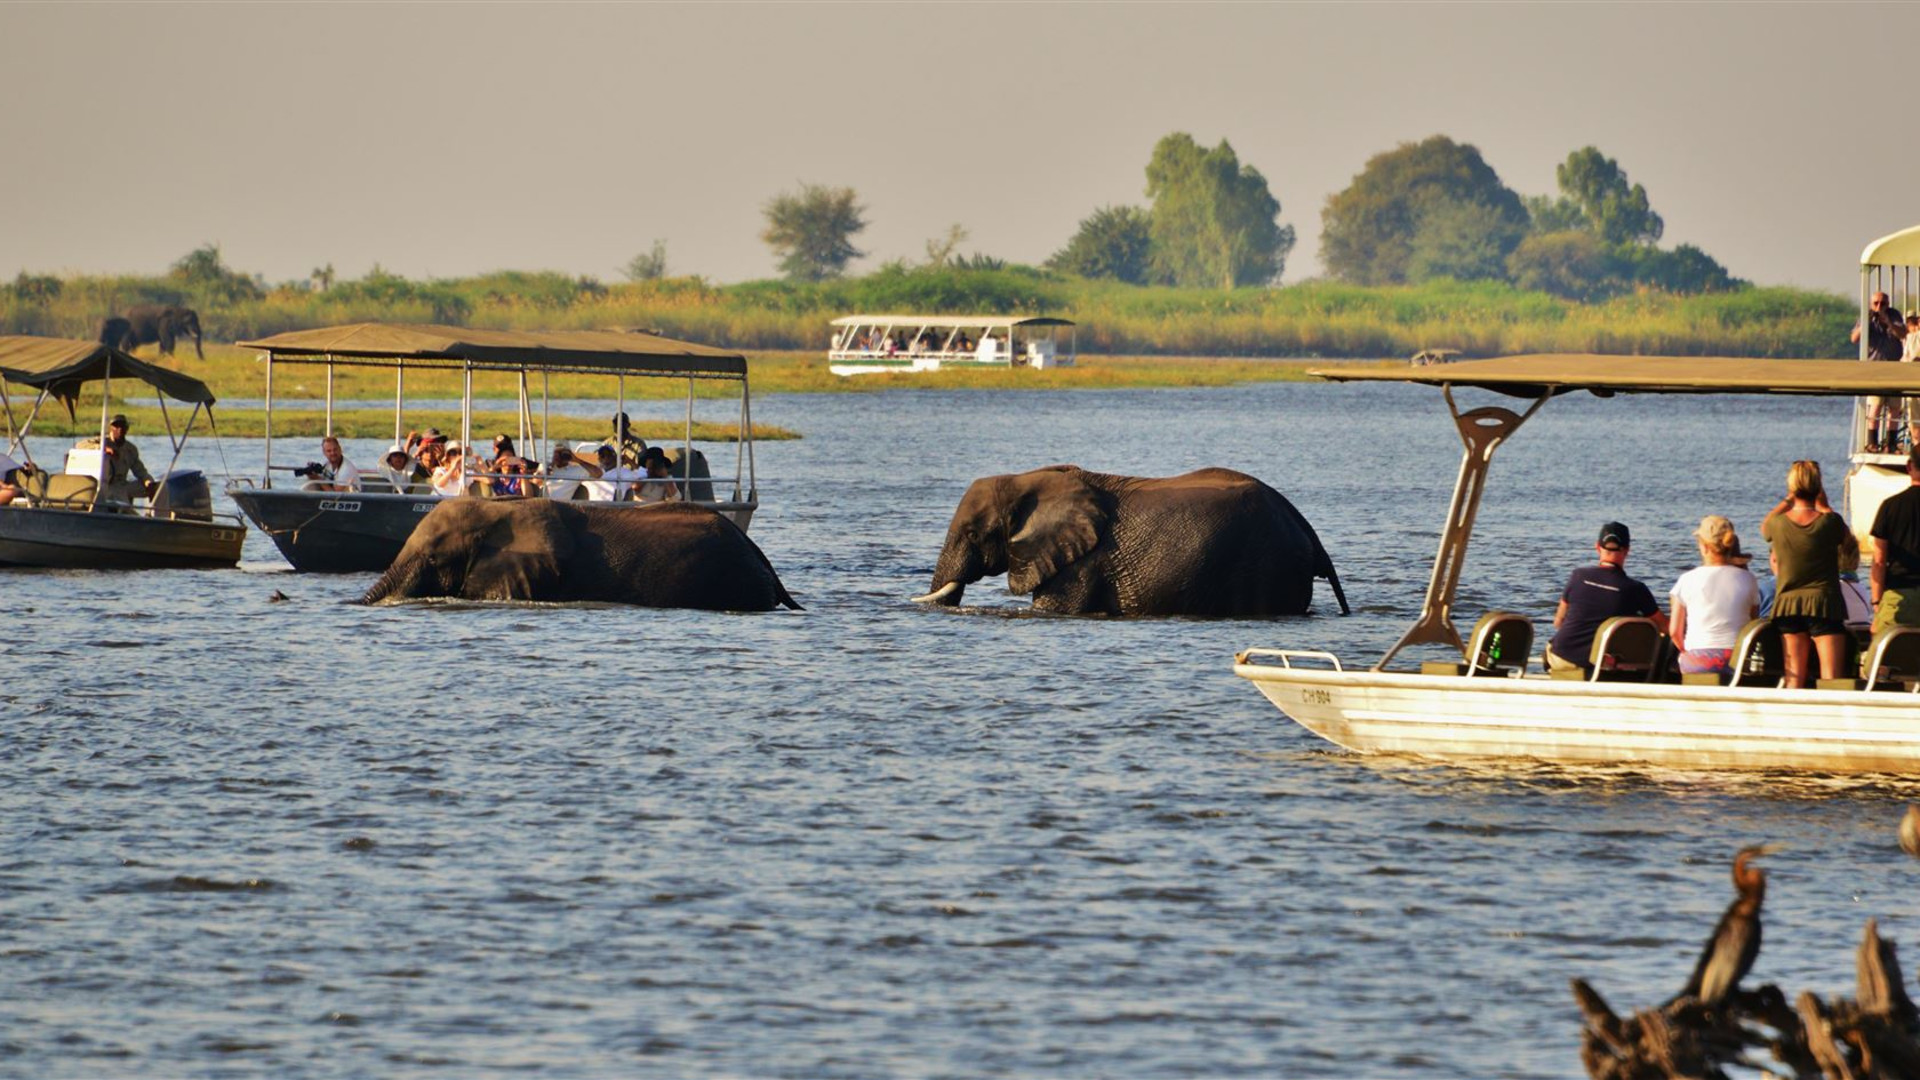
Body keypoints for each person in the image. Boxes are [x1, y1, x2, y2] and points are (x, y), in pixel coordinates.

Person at [1762, 460, 1851, 687]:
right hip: (1823, 603)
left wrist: (1788, 499)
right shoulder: (1829, 522)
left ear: (1792, 486)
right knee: (1831, 679)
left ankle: (1791, 719)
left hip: (1788, 604)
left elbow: (1765, 528)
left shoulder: (1778, 524)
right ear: (1818, 486)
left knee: (1794, 678)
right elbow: (1848, 541)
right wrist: (1825, 505)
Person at [1544, 521, 1667, 675]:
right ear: (1627, 550)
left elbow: (1558, 622)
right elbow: (1665, 627)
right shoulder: (1636, 589)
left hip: (1562, 657)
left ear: (1597, 547)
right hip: (1602, 665)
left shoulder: (1578, 575)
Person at [1668, 515, 1762, 676]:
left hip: (1698, 660)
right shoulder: (1749, 579)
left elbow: (1675, 633)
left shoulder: (1686, 580)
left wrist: (1687, 651)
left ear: (1704, 547)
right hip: (1736, 660)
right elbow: (1752, 624)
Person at [1871, 445, 1920, 635]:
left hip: (1899, 595)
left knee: (1884, 658)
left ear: (1909, 466)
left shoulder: (1890, 506)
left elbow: (1879, 560)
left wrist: (1877, 603)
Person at [1854, 291, 1906, 450]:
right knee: (1875, 405)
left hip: (1894, 368)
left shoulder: (1894, 315)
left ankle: (1891, 443)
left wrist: (1888, 322)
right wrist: (1867, 322)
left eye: (1883, 304)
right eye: (1876, 303)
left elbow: (1902, 334)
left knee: (1894, 407)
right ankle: (1872, 442)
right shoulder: (1867, 317)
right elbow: (1854, 338)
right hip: (1875, 369)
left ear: (1888, 304)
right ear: (1871, 304)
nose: (1879, 307)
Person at [100, 413, 154, 502]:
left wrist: (148, 481)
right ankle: (127, 512)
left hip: (123, 484)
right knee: (121, 501)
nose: (119, 429)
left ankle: (157, 514)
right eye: (116, 426)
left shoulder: (130, 449)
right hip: (108, 486)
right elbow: (81, 445)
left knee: (158, 488)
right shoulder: (102, 442)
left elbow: (140, 471)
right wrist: (104, 448)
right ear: (111, 428)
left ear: (127, 429)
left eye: (122, 426)